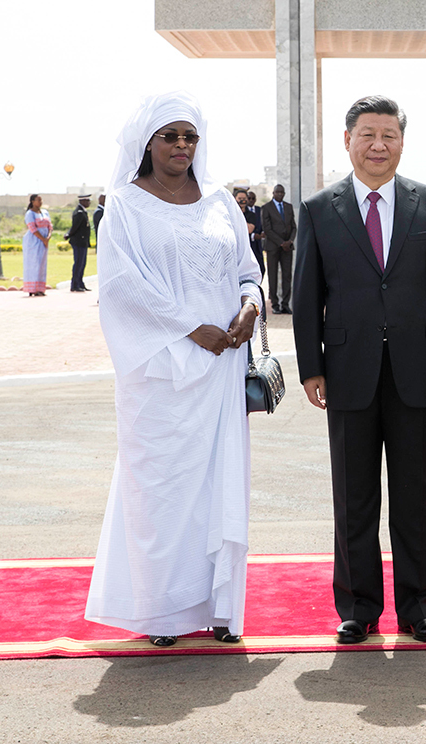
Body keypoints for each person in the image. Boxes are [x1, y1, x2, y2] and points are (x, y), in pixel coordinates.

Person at [85, 91, 263, 648]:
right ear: (147, 143)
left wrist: (250, 306)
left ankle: (220, 609)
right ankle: (161, 613)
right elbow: (122, 286)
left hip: (221, 369)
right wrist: (190, 327)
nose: (182, 145)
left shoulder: (220, 200)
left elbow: (247, 270)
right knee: (159, 491)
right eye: (170, 136)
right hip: (159, 375)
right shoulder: (125, 205)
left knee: (218, 487)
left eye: (190, 136)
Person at [293, 95, 426, 645]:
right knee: (354, 497)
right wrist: (310, 367)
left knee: (415, 497)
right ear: (347, 140)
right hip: (348, 370)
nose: (378, 145)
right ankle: (358, 607)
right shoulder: (319, 209)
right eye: (367, 134)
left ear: (402, 142)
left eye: (388, 135)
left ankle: (419, 608)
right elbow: (306, 296)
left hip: (419, 369)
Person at [261, 184, 296, 314]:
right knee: (273, 276)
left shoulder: (288, 207)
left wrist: (290, 241)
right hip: (273, 247)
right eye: (278, 192)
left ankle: (285, 304)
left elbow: (294, 227)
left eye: (282, 192)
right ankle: (275, 304)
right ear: (273, 193)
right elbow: (267, 229)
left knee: (287, 276)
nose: (280, 194)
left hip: (287, 248)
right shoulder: (266, 208)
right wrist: (281, 243)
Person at [23, 194, 52, 296]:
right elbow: (32, 228)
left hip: (44, 241)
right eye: (38, 200)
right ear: (32, 201)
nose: (40, 202)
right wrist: (43, 239)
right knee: (34, 264)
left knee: (42, 265)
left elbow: (50, 226)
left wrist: (47, 238)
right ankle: (32, 289)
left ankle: (40, 288)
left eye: (41, 200)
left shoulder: (45, 212)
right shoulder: (30, 214)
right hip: (34, 241)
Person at [67, 194, 91, 291]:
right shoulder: (79, 213)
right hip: (78, 241)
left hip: (83, 242)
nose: (89, 202)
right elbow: (75, 227)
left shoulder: (83, 211)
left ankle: (80, 283)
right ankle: (75, 285)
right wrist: (68, 235)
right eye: (87, 200)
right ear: (82, 201)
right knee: (78, 263)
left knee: (82, 264)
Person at [246, 190, 265, 278]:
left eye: (253, 198)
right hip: (248, 243)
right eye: (249, 198)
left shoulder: (259, 210)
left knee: (261, 268)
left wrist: (262, 233)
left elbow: (263, 223)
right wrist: (253, 235)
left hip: (258, 244)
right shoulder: (242, 211)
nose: (251, 200)